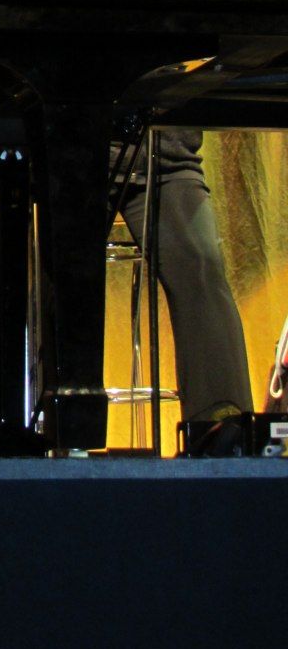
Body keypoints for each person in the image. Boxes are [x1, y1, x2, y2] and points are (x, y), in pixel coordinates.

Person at [113, 125, 252, 452]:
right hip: (75, 155)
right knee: (68, 274)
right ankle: (63, 432)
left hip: (169, 162)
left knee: (200, 264)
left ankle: (222, 429)